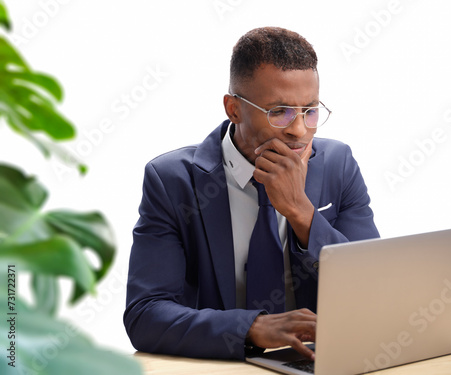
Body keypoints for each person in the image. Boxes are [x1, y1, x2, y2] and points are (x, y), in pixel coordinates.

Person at [124, 26, 379, 361]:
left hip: (320, 363)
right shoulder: (173, 181)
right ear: (233, 109)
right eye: (279, 112)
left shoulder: (337, 165)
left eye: (310, 110)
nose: (299, 130)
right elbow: (146, 315)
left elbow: (374, 291)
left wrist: (302, 213)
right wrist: (252, 328)